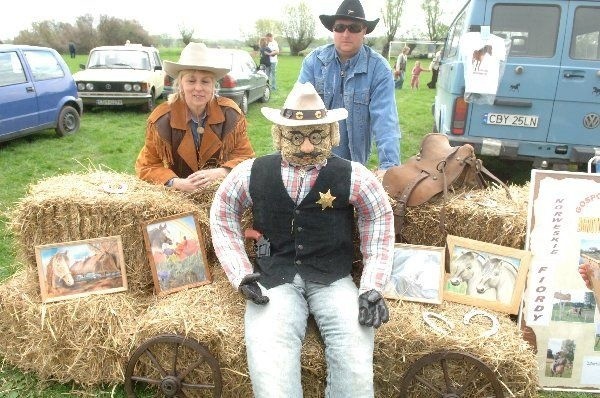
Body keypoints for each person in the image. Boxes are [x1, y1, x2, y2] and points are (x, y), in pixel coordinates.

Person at [209, 82, 394, 397]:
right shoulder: (250, 172)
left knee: (354, 350)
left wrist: (372, 286)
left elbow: (379, 218)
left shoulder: (354, 175)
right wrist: (240, 274)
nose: (307, 147)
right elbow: (223, 214)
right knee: (269, 356)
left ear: (331, 134)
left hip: (334, 278)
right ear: (280, 135)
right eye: (297, 137)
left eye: (316, 136)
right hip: (274, 278)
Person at [297, 0, 401, 176]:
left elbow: (385, 120)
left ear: (364, 31)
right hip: (311, 158)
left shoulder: (379, 68)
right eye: (339, 27)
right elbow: (297, 110)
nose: (346, 33)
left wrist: (389, 168)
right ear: (333, 30)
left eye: (353, 28)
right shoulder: (313, 62)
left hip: (353, 164)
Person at [135, 42, 255, 192]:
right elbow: (147, 166)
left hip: (220, 192)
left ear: (213, 86)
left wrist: (221, 172)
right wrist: (177, 183)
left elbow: (246, 157)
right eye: (191, 81)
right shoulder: (161, 119)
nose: (198, 88)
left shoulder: (230, 114)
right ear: (180, 85)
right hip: (178, 197)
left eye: (205, 81)